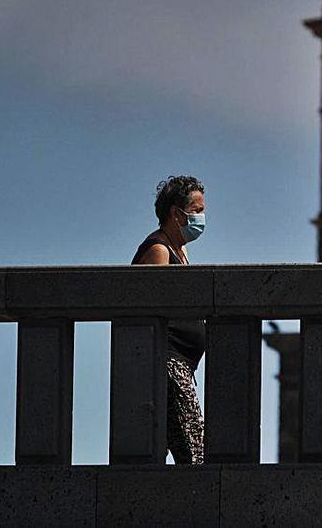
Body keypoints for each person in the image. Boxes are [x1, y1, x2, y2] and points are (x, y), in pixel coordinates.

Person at [131, 175, 207, 464]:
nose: (201, 218)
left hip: (183, 368)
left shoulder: (181, 251)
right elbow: (146, 316)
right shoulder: (159, 251)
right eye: (197, 211)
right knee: (195, 452)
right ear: (176, 214)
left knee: (171, 448)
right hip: (168, 365)